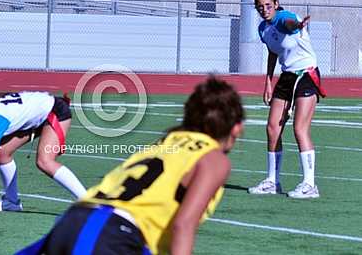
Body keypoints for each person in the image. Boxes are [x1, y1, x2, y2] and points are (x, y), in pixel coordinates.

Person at [15, 76, 245, 255]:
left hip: (75, 221)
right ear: (236, 127)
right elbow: (183, 225)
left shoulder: (165, 143)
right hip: (111, 233)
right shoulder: (214, 158)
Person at [0, 85, 87, 214]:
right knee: (2, 152)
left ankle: (90, 202)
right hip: (41, 114)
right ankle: (11, 201)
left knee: (45, 161)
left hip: (55, 111)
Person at [248, 0, 326, 199]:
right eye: (260, 7)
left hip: (306, 75)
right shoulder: (263, 28)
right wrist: (268, 81)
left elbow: (288, 24)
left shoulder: (285, 17)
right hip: (286, 76)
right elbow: (274, 51)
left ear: (276, 3)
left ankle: (310, 185)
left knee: (300, 129)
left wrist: (299, 26)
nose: (264, 9)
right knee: (273, 128)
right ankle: (272, 181)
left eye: (268, 5)